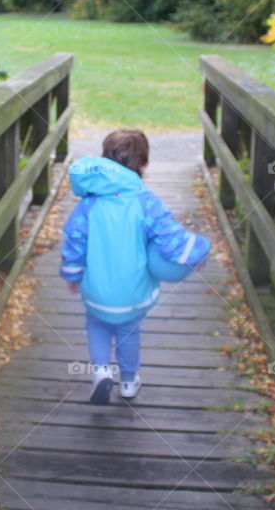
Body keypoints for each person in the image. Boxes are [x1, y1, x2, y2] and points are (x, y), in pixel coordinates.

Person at [59, 129, 211, 404]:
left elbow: (74, 242)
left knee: (97, 326)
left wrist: (73, 274)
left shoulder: (88, 205)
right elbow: (170, 238)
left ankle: (102, 372)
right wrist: (197, 253)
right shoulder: (146, 203)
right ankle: (128, 382)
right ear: (143, 165)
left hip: (97, 291)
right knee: (128, 332)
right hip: (133, 292)